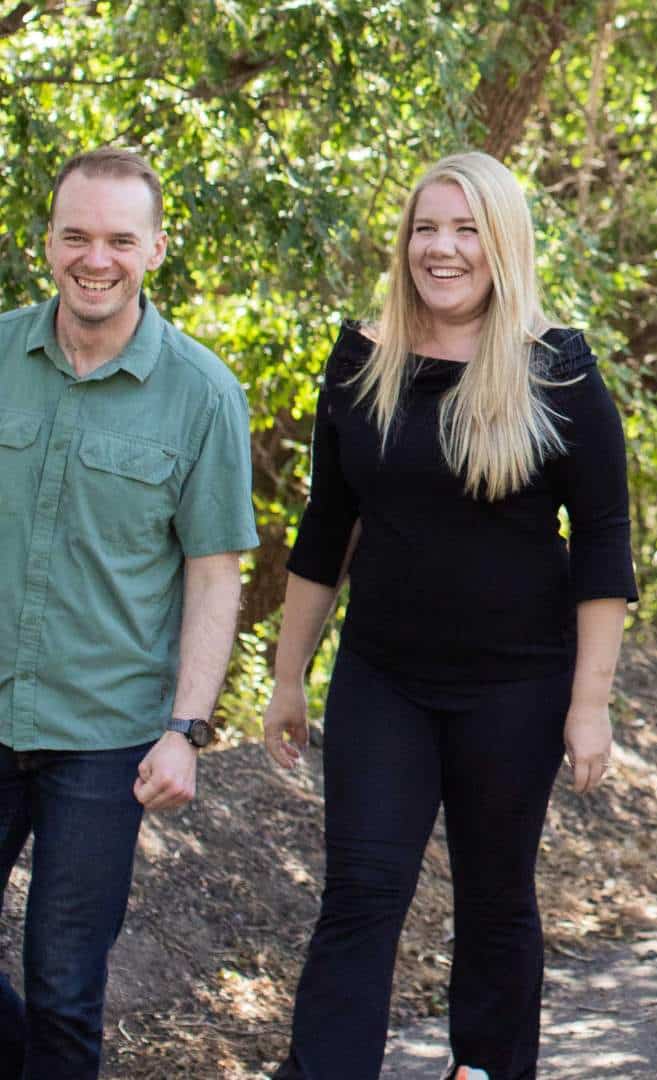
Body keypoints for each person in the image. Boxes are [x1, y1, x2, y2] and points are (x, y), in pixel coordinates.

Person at [262, 151, 636, 1079]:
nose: (443, 247)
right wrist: (285, 678)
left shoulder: (560, 370)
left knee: (496, 899)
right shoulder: (362, 359)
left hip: (518, 684)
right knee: (359, 891)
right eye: (427, 227)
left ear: (502, 240)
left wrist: (590, 704)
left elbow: (603, 546)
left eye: (466, 228)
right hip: (384, 678)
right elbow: (324, 531)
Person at [0, 147, 255, 1079]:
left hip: (104, 738)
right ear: (49, 242)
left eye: (117, 239)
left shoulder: (201, 394)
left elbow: (213, 575)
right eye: (75, 235)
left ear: (153, 248)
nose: (93, 258)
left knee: (65, 987)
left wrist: (186, 727)